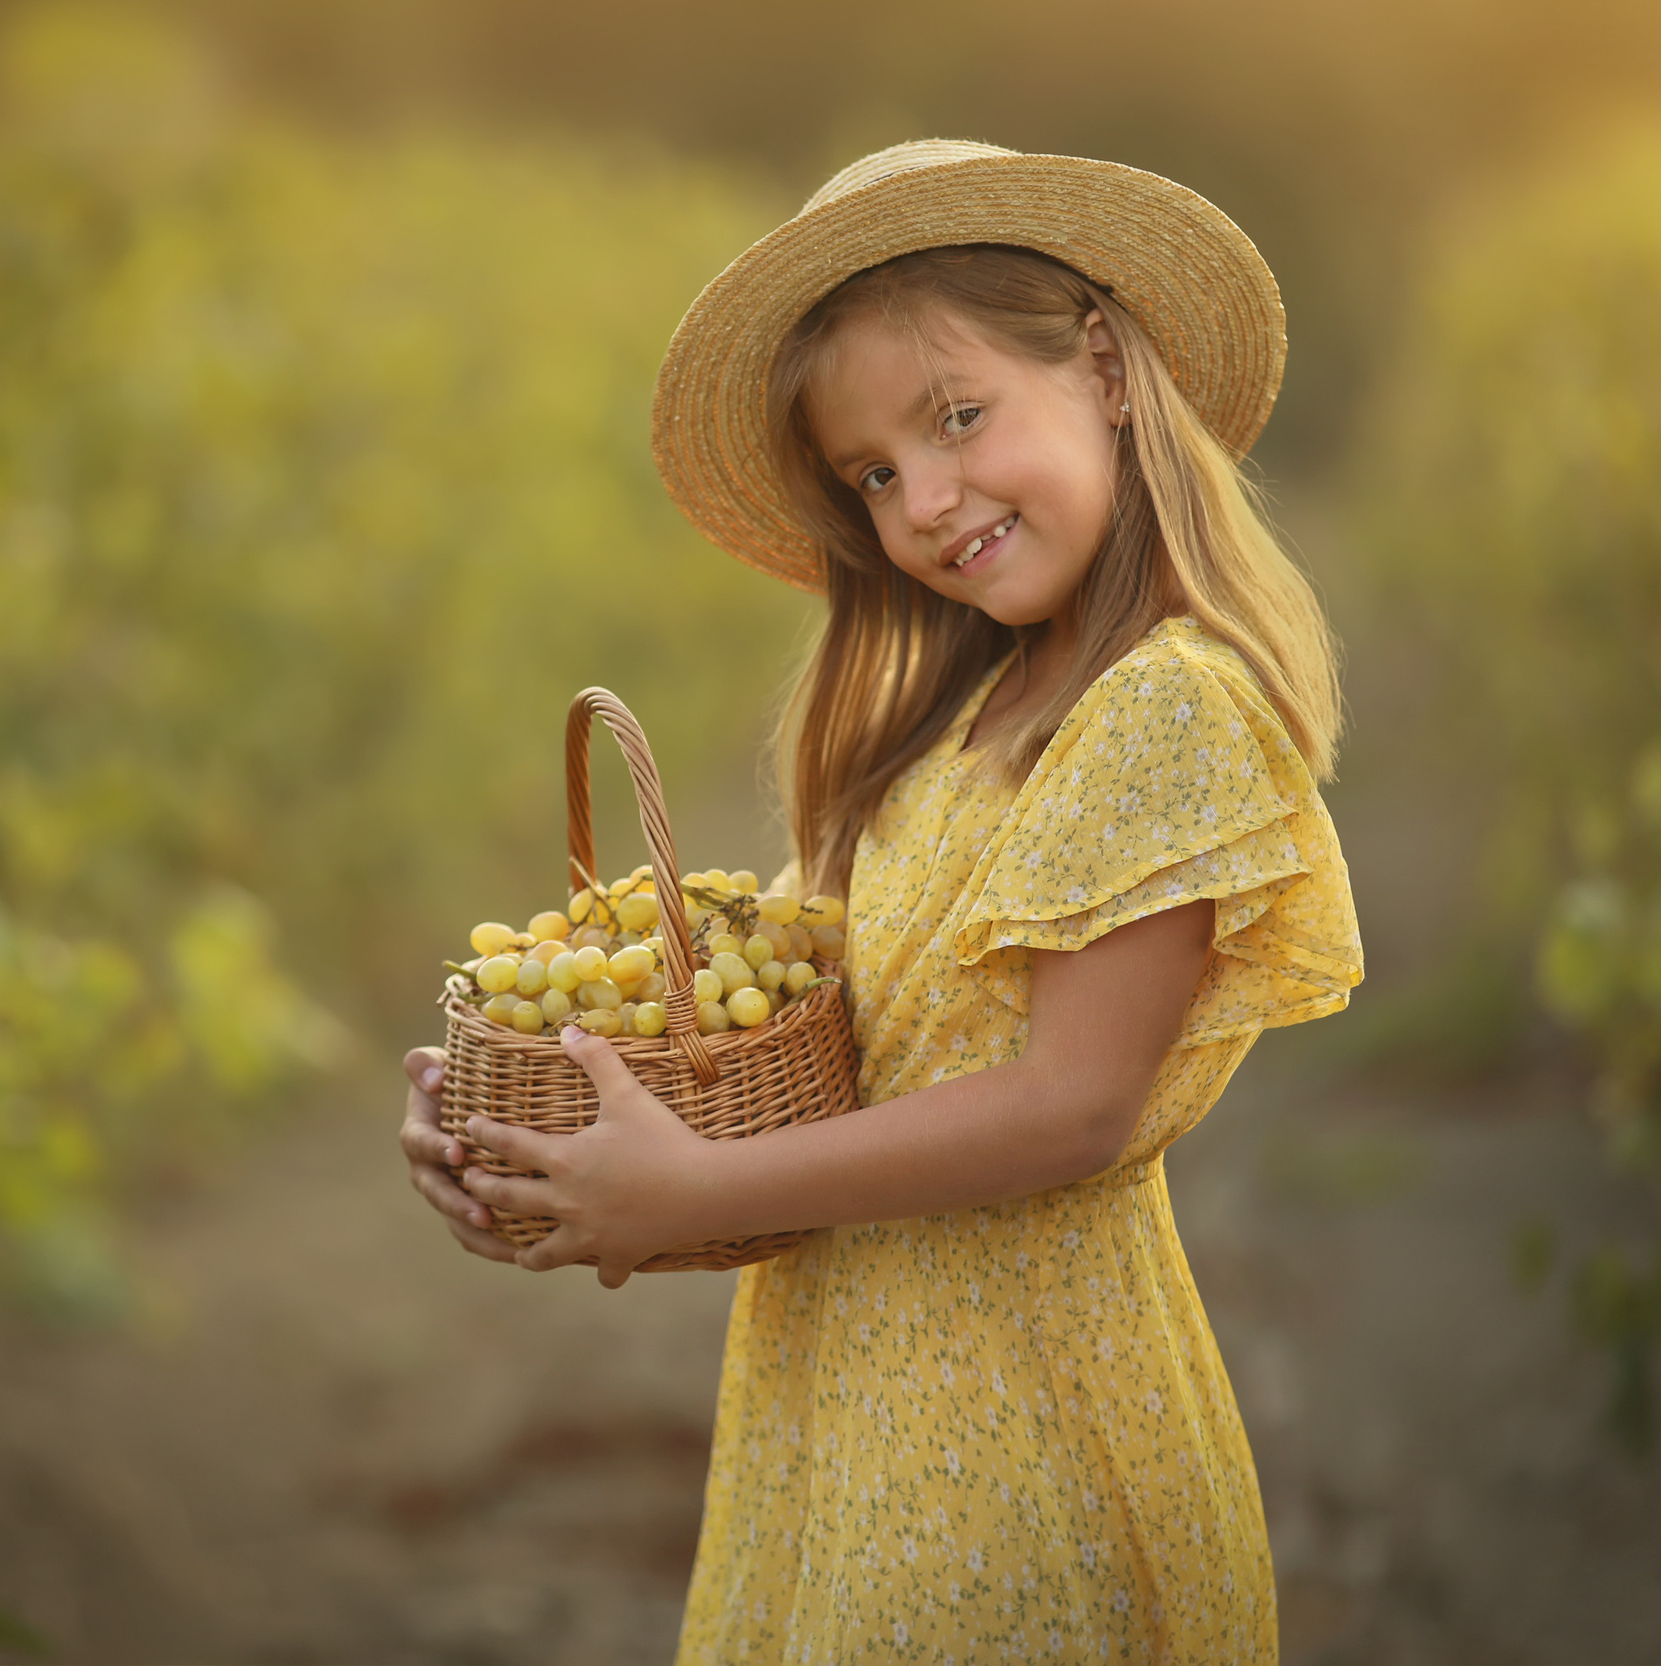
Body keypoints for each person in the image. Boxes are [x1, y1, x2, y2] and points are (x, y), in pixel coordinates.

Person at [399, 140, 1361, 1662]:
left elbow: (1072, 1105)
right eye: (875, 473)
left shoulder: (1164, 703)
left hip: (1022, 1439)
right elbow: (766, 1043)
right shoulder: (956, 723)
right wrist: (538, 1135)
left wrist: (698, 1196)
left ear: (1106, 368)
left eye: (957, 416)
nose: (927, 498)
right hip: (848, 1410)